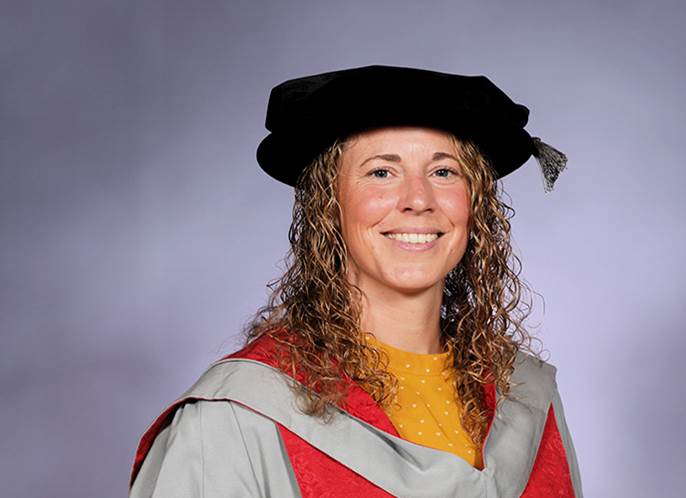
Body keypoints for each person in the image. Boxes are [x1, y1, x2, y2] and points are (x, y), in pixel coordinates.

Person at [129, 65, 583, 497]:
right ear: (330, 206)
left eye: (444, 171)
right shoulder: (235, 420)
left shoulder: (526, 399)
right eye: (381, 172)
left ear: (475, 202)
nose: (418, 200)